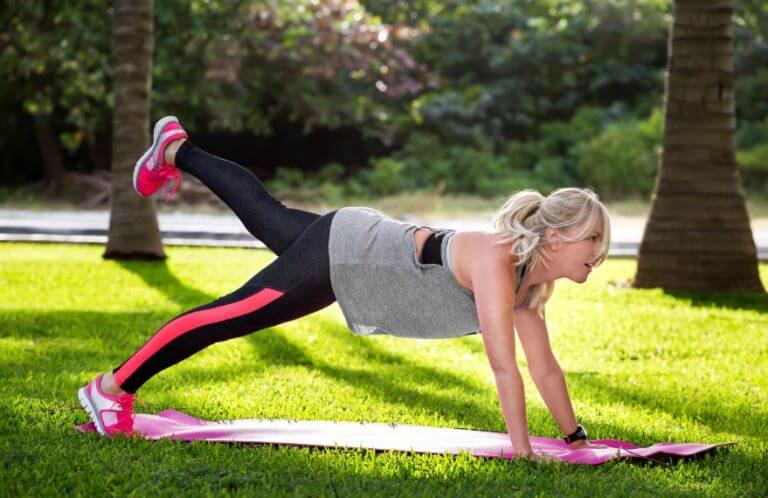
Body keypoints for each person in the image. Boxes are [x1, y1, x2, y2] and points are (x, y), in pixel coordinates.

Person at [78, 116, 611, 461]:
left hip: (357, 243)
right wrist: (522, 452)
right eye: (592, 240)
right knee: (232, 316)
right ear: (557, 236)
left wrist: (575, 441)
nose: (598, 254)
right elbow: (504, 367)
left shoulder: (526, 291)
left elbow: (544, 368)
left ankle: (175, 150)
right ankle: (112, 388)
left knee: (267, 215)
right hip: (348, 256)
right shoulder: (498, 261)